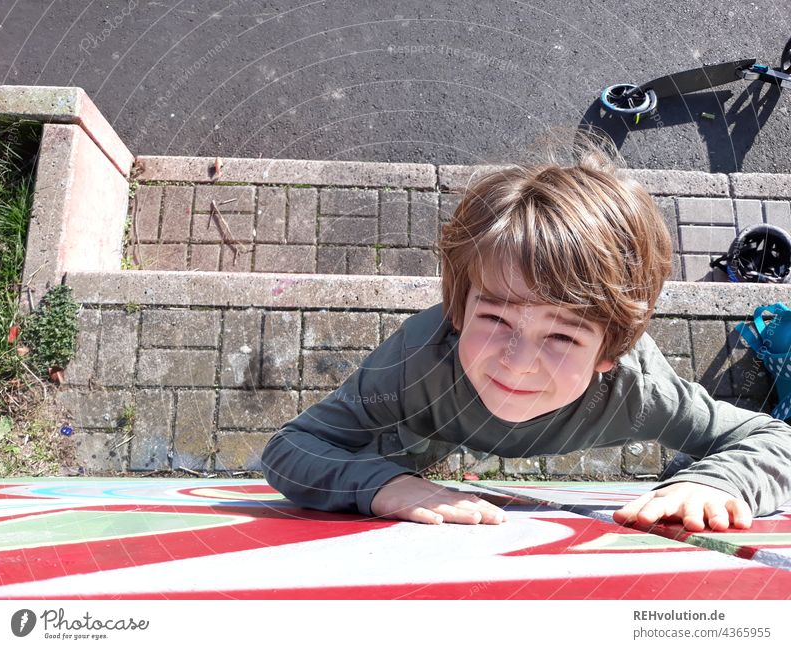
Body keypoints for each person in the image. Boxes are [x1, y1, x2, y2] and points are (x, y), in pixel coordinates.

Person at [260, 131, 791, 532]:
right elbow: (290, 446)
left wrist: (714, 481)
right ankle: (411, 455)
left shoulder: (639, 390)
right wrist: (384, 486)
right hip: (429, 421)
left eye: (562, 337)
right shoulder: (416, 362)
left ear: (611, 349)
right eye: (495, 318)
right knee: (397, 450)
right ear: (459, 312)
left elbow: (775, 437)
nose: (517, 361)